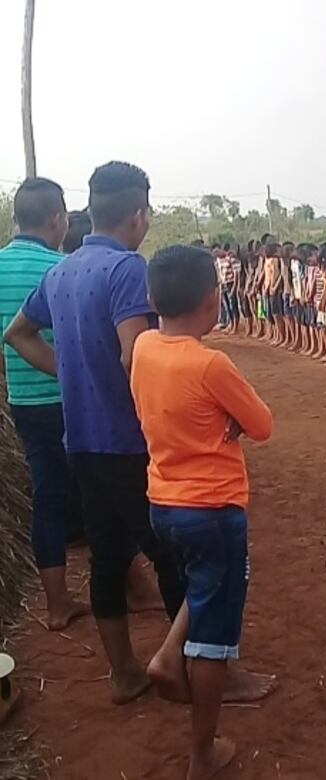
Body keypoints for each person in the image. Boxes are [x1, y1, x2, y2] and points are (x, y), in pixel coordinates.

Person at [5, 161, 185, 703]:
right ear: (136, 215)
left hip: (80, 440)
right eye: (148, 213)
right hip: (129, 441)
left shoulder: (61, 271)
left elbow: (18, 333)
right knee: (173, 556)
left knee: (107, 557)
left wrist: (71, 371)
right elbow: (135, 356)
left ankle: (123, 673)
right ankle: (184, 671)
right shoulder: (128, 269)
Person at [130, 245, 273, 780]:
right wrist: (229, 422)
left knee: (201, 582)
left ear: (151, 298)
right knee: (213, 641)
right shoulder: (211, 362)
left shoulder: (144, 345)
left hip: (163, 502)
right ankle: (201, 755)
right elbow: (260, 425)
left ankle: (168, 655)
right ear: (214, 299)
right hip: (212, 508)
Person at [0, 177, 89, 630]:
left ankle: (57, 602)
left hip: (22, 403)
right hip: (67, 398)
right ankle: (129, 588)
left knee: (48, 495)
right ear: (58, 220)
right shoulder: (61, 269)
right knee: (97, 490)